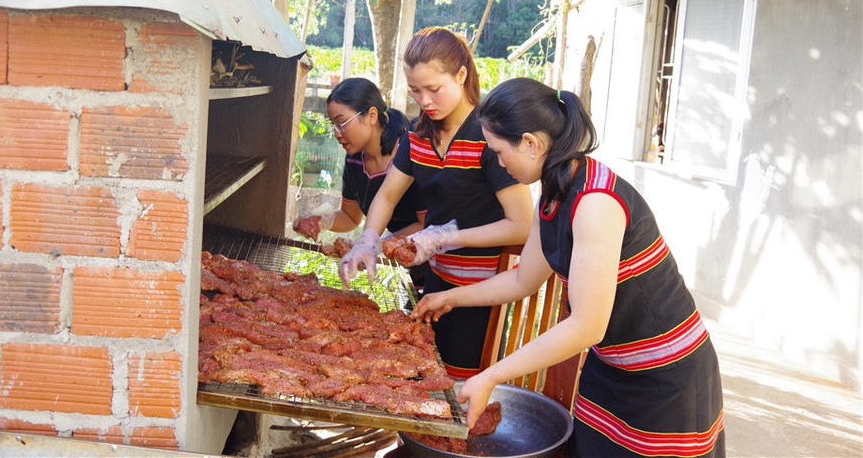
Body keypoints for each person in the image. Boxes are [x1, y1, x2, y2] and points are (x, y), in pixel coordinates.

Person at [411, 77, 726, 457]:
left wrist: (492, 375)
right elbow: (523, 278)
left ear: (531, 143)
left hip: (666, 376)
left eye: (498, 151)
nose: (497, 161)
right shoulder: (555, 190)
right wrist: (451, 297)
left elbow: (587, 326)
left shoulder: (595, 201)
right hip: (610, 366)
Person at [339, 27, 533, 380]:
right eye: (415, 90)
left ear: (461, 75)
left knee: (463, 388)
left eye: (434, 89)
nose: (424, 100)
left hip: (483, 290)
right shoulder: (417, 134)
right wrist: (368, 239)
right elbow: (388, 193)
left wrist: (446, 237)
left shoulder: (490, 136)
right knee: (427, 378)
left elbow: (521, 224)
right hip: (438, 280)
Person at [292, 78, 429, 285]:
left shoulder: (409, 153)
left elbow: (425, 224)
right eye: (333, 125)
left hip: (437, 262)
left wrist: (374, 246)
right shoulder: (355, 160)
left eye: (342, 123)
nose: (337, 133)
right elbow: (350, 216)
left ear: (371, 115)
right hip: (409, 266)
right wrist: (319, 220)